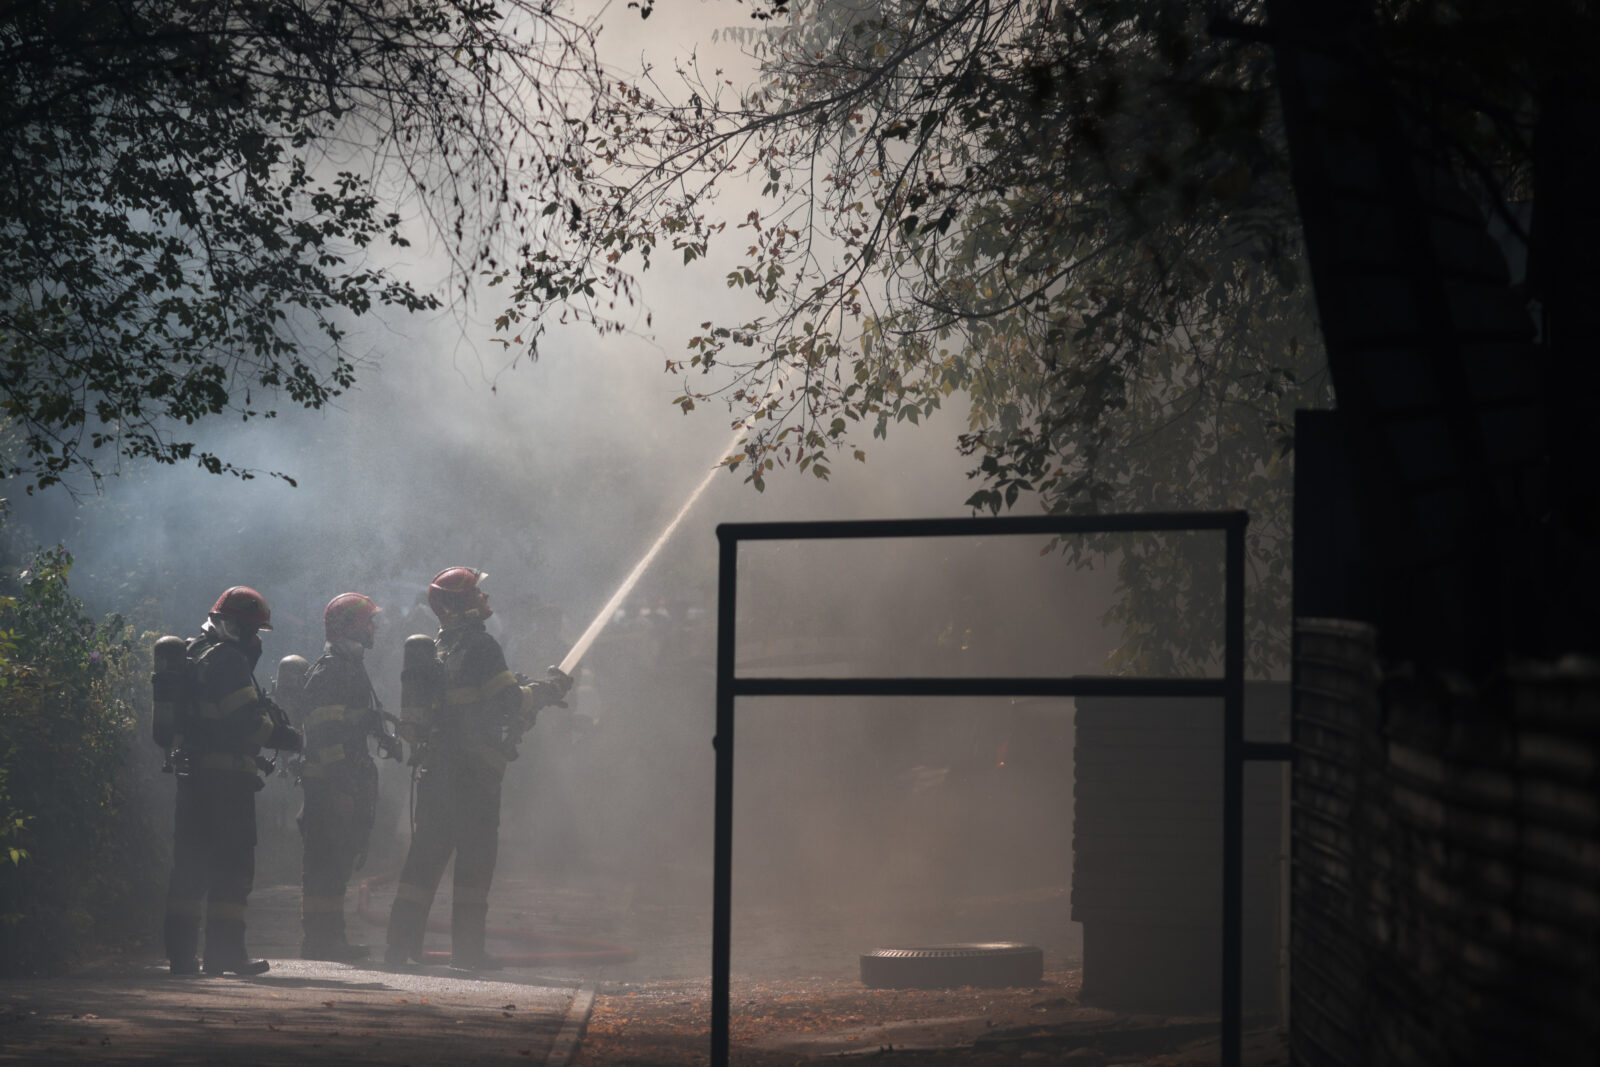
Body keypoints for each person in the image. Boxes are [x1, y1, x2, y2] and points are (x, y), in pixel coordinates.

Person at [384, 567, 572, 969]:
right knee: (475, 863)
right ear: (463, 603)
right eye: (478, 593)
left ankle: (400, 948)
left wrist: (530, 689)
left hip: (437, 774)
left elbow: (484, 697)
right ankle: (468, 953)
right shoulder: (482, 645)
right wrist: (545, 691)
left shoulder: (441, 645)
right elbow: (506, 701)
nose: (486, 598)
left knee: (424, 861)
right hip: (473, 777)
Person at [161, 586, 302, 976]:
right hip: (227, 785)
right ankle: (225, 955)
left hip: (193, 779)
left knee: (189, 868)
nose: (257, 640)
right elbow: (246, 723)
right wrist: (288, 738)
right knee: (232, 870)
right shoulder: (227, 661)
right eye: (254, 630)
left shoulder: (193, 654)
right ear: (237, 627)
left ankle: (181, 956)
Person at [297, 592, 402, 961]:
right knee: (326, 864)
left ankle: (331, 939)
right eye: (368, 621)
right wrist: (341, 787)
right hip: (330, 785)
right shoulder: (333, 670)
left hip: (341, 781)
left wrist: (375, 724)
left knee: (337, 863)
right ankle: (320, 942)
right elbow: (325, 733)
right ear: (352, 626)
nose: (374, 628)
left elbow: (349, 719)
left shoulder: (349, 665)